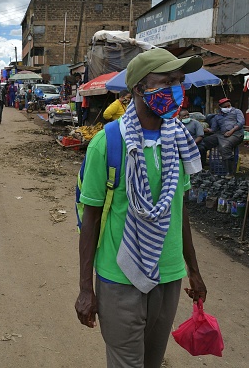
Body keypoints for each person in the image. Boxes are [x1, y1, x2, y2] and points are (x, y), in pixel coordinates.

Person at [75, 48, 207, 368]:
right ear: (139, 89)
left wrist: (194, 271)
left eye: (179, 81)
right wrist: (85, 289)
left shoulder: (178, 140)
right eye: (167, 82)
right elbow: (90, 217)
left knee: (152, 361)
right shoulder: (107, 143)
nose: (176, 90)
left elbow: (180, 212)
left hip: (169, 276)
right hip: (119, 278)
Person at [197, 97, 244, 177]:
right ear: (221, 108)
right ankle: (202, 167)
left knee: (225, 146)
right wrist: (206, 130)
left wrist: (231, 131)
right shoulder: (217, 117)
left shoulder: (237, 111)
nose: (227, 108)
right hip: (221, 134)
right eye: (225, 107)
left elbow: (241, 123)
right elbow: (213, 129)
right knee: (203, 143)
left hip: (236, 133)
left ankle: (230, 172)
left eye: (228, 106)